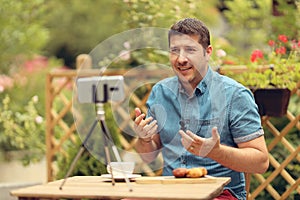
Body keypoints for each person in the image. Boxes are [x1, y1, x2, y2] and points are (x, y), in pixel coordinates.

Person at [133, 18, 269, 200]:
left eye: (190, 50)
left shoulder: (235, 95)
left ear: (207, 52)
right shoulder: (160, 92)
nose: (181, 59)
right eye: (175, 51)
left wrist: (217, 152)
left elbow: (261, 162)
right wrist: (144, 139)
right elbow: (148, 157)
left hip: (222, 194)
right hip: (169, 193)